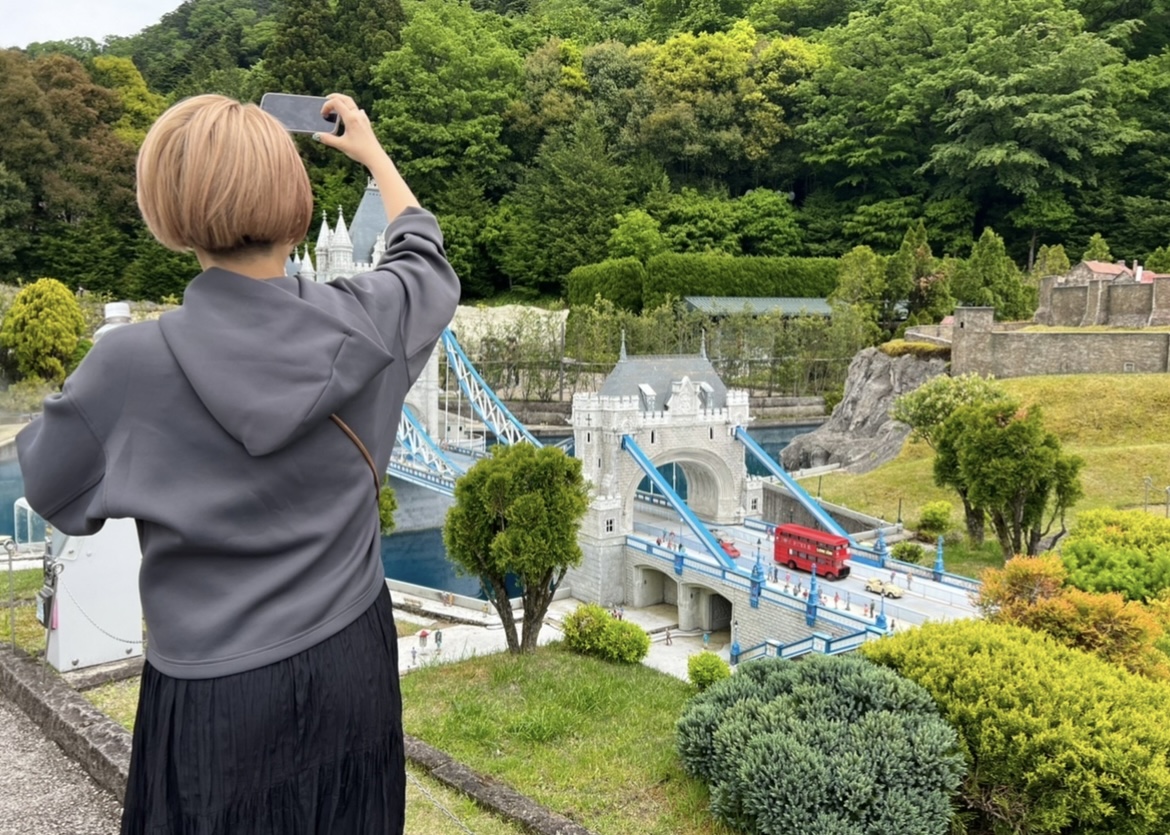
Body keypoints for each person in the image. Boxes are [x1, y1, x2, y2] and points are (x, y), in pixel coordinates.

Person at [16, 93, 460, 835]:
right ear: (296, 203)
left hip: (212, 693)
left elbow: (51, 488)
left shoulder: (126, 366)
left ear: (169, 212)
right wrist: (372, 152)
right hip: (351, 663)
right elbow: (424, 257)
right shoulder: (372, 321)